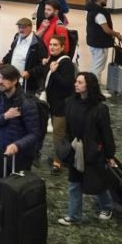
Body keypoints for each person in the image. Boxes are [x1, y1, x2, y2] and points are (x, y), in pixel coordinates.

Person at [0, 64, 44, 233]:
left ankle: (15, 225)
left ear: (14, 81)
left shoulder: (27, 103)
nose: (0, 82)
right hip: (2, 150)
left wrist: (17, 145)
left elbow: (35, 134)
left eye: (4, 79)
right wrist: (6, 116)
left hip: (21, 155)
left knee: (16, 191)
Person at [58, 72, 116, 226]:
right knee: (74, 183)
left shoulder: (100, 109)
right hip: (75, 149)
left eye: (80, 82)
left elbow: (106, 133)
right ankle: (74, 215)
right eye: (76, 82)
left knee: (97, 183)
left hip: (92, 151)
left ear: (89, 86)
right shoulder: (70, 102)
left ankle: (107, 206)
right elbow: (68, 128)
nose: (76, 84)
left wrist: (110, 155)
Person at [36, 34, 76, 174]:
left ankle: (57, 162)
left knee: (58, 134)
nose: (52, 47)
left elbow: (67, 85)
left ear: (62, 47)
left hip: (61, 106)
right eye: (51, 45)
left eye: (55, 45)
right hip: (51, 103)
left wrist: (54, 72)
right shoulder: (51, 60)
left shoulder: (66, 63)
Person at [86, 0, 122, 95]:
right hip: (100, 43)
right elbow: (106, 30)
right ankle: (96, 90)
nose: (106, 0)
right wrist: (117, 34)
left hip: (93, 41)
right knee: (98, 67)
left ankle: (93, 87)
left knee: (94, 65)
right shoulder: (99, 13)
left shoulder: (91, 10)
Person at [0, 17, 47, 95]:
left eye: (24, 27)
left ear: (30, 27)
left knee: (25, 104)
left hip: (27, 84)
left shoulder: (37, 43)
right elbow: (11, 52)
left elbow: (42, 65)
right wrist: (3, 60)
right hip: (12, 80)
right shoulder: (17, 38)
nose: (21, 30)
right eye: (19, 27)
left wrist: (30, 73)